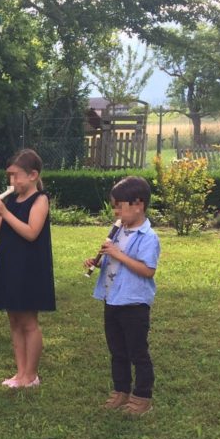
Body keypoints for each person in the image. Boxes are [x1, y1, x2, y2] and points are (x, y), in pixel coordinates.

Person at [0, 148, 55, 388]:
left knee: (28, 321)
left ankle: (32, 375)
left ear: (33, 175)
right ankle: (20, 373)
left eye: (16, 175)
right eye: (9, 176)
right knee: (14, 320)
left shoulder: (40, 200)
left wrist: (5, 212)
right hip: (9, 265)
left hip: (30, 267)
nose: (11, 181)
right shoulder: (10, 200)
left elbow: (31, 232)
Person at [84, 176, 160, 416]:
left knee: (137, 352)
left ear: (138, 204)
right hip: (112, 299)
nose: (115, 211)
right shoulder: (118, 232)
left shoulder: (148, 237)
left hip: (134, 303)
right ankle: (121, 390)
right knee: (117, 350)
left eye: (119, 206)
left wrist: (118, 255)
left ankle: (143, 395)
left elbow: (148, 270)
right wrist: (97, 262)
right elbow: (112, 261)